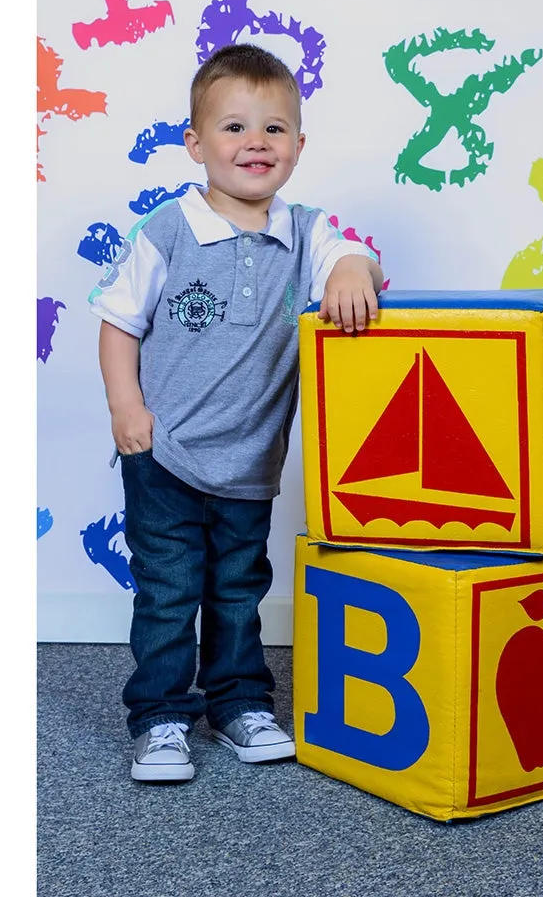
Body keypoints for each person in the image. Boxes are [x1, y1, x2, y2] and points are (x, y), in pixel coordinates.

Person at [89, 43, 383, 782]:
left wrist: (352, 268)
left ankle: (239, 703)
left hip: (251, 459)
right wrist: (127, 408)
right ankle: (160, 716)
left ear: (298, 147)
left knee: (237, 589)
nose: (256, 142)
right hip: (166, 452)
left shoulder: (304, 231)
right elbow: (119, 322)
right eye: (234, 127)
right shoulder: (170, 230)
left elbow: (355, 257)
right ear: (195, 143)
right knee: (168, 591)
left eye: (275, 129)